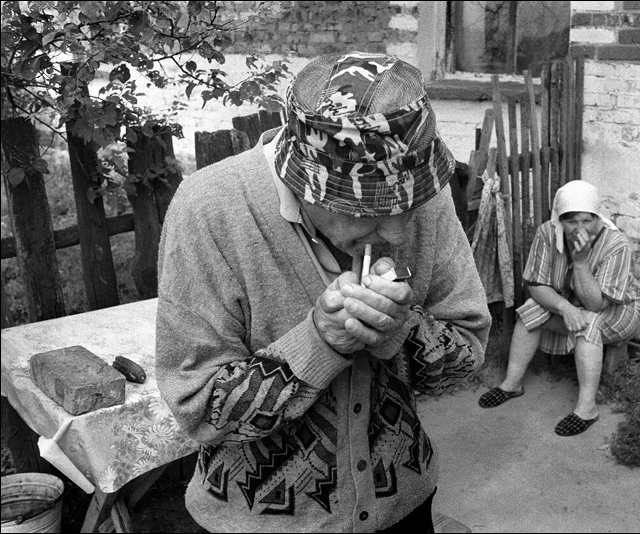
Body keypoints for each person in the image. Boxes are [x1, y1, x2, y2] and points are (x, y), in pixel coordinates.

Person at [155, 51, 491, 533]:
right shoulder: (210, 209)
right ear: (299, 180)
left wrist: (401, 333)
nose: (397, 233)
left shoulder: (426, 190)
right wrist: (318, 344)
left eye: (408, 204)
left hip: (403, 507)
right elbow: (199, 410)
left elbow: (467, 358)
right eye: (368, 207)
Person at [478, 180, 640, 436]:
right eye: (571, 221)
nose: (579, 229)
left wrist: (580, 263)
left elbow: (596, 304)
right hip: (573, 303)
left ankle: (587, 408)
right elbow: (536, 285)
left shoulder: (616, 245)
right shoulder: (547, 233)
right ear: (559, 219)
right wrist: (564, 307)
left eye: (586, 221)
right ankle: (511, 384)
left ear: (597, 218)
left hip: (617, 310)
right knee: (531, 309)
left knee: (590, 324)